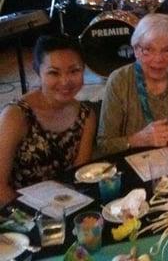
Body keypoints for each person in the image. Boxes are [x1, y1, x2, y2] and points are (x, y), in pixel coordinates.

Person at [0, 35, 96, 206]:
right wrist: (33, 219)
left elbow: (80, 176)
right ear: (38, 72)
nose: (65, 81)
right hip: (19, 214)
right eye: (54, 72)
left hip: (66, 207)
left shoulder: (86, 115)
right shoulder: (15, 115)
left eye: (74, 71)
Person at [97, 13, 168, 156]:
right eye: (148, 49)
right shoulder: (119, 81)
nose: (158, 59)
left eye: (167, 50)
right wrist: (136, 140)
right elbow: (103, 145)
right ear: (136, 50)